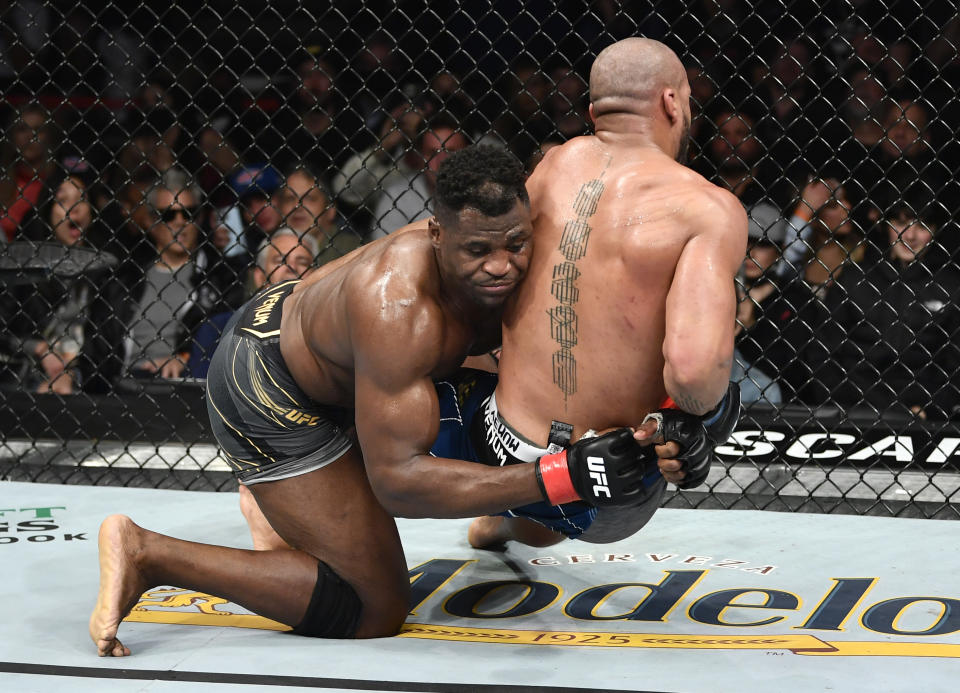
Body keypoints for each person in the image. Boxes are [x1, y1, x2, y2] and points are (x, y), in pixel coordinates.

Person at [89, 146, 667, 655]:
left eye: (516, 244)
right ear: (437, 234)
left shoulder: (534, 264)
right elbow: (399, 482)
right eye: (477, 251)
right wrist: (559, 475)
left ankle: (316, 517)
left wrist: (664, 424)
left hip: (344, 355)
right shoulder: (400, 309)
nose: (501, 266)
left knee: (539, 485)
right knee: (374, 608)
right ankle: (151, 553)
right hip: (269, 387)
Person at [437, 37, 747, 550]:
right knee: (716, 395)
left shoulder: (554, 164)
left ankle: (503, 510)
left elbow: (489, 284)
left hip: (497, 446)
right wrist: (699, 421)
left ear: (594, 111)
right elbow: (692, 374)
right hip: (603, 489)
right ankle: (518, 517)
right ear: (672, 102)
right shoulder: (707, 208)